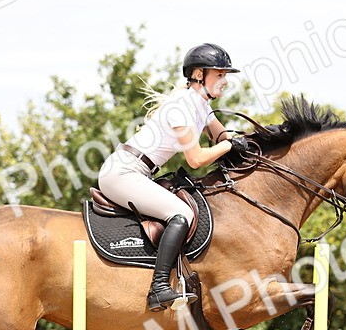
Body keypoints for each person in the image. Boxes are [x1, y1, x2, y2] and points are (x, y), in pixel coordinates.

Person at [97, 43, 256, 311]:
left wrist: (250, 141)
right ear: (198, 75)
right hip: (123, 173)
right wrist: (229, 146)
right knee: (181, 214)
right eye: (220, 75)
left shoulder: (200, 106)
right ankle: (159, 288)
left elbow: (220, 137)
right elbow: (196, 158)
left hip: (139, 172)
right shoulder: (180, 107)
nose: (225, 82)